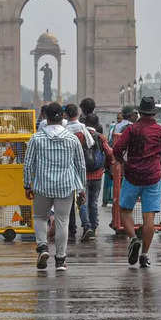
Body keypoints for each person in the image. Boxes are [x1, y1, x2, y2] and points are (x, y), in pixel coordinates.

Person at [24, 103, 86, 272]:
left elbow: (28, 164)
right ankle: (60, 260)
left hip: (42, 185)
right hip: (65, 186)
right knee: (62, 222)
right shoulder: (72, 138)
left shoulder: (36, 138)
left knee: (39, 217)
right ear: (63, 117)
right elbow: (80, 165)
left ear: (46, 117)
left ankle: (43, 248)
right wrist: (82, 188)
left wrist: (27, 184)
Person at [113, 97, 161, 268]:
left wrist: (123, 163)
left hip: (132, 175)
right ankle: (144, 255)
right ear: (154, 114)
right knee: (149, 218)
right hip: (153, 176)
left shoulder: (132, 129)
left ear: (139, 112)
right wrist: (157, 165)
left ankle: (133, 238)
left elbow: (117, 149)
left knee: (125, 210)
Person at [79, 113, 114, 241]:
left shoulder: (79, 136)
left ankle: (86, 226)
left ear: (85, 123)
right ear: (97, 124)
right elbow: (110, 153)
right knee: (93, 202)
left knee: (82, 201)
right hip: (98, 175)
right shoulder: (101, 137)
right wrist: (108, 166)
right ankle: (93, 227)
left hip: (82, 176)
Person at [63, 103, 95, 242]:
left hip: (68, 167)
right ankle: (87, 226)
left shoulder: (64, 129)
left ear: (66, 115)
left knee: (69, 198)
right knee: (81, 196)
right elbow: (90, 143)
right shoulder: (82, 127)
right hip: (81, 166)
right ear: (77, 114)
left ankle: (72, 229)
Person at [102, 111, 125, 208]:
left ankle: (116, 200)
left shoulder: (121, 128)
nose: (119, 121)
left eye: (120, 119)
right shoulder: (114, 128)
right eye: (118, 119)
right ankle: (106, 200)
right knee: (110, 179)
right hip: (112, 157)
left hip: (118, 157)